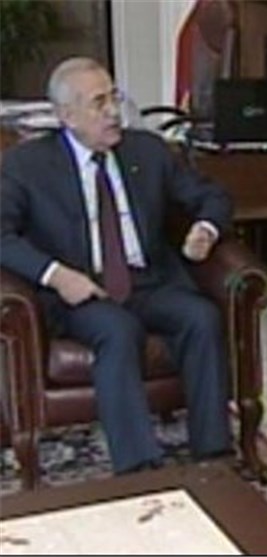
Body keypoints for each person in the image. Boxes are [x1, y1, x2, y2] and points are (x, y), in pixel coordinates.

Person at [0, 57, 234, 474]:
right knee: (117, 330)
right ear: (67, 116)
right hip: (79, 290)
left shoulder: (148, 150)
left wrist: (206, 228)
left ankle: (213, 454)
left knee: (201, 316)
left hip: (148, 281)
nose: (113, 112)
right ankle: (137, 467)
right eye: (98, 103)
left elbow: (212, 196)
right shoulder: (27, 165)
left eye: (114, 98)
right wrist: (56, 275)